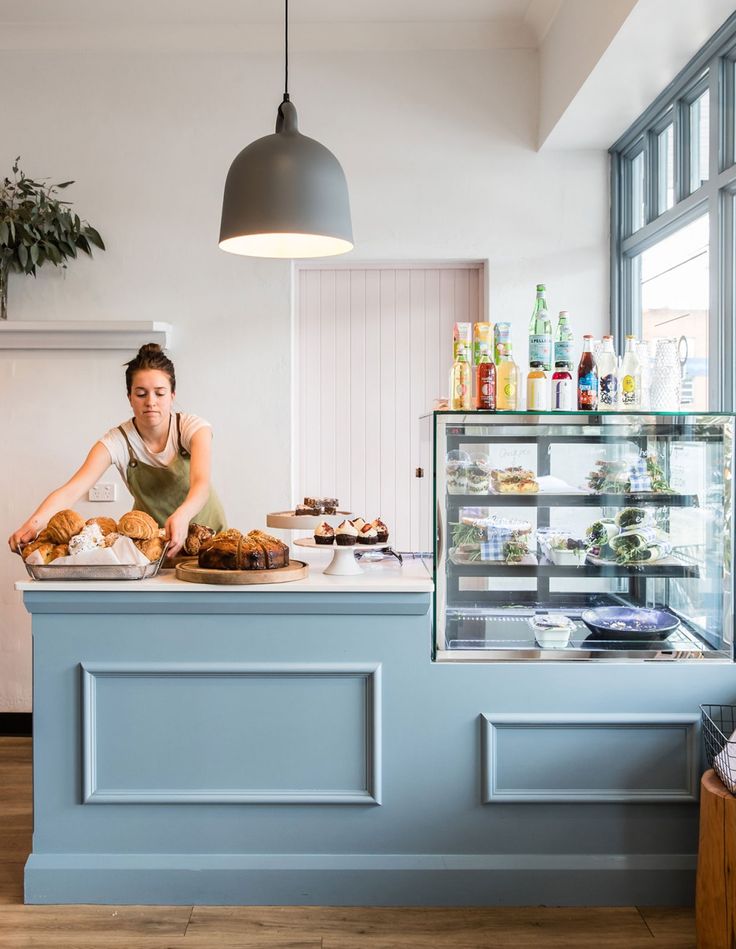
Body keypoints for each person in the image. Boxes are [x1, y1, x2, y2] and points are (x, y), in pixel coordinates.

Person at [8, 343, 226, 557]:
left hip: (209, 542)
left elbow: (201, 484)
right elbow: (71, 491)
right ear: (129, 397)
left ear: (172, 395)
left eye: (160, 393)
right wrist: (33, 525)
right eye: (141, 394)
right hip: (152, 549)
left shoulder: (193, 428)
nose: (151, 402)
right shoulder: (117, 441)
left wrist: (182, 515)